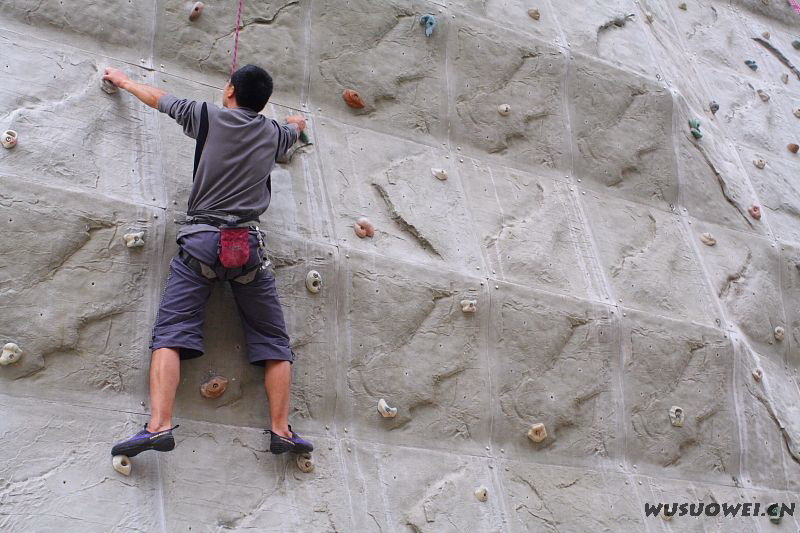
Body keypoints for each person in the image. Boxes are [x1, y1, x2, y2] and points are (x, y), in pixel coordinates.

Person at [103, 64, 313, 458]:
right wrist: (296, 122)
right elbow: (295, 129)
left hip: (201, 243)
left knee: (171, 333)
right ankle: (281, 430)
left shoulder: (207, 115)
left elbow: (160, 99)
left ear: (230, 90)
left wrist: (124, 81)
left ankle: (158, 426)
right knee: (274, 342)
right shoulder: (274, 133)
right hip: (247, 248)